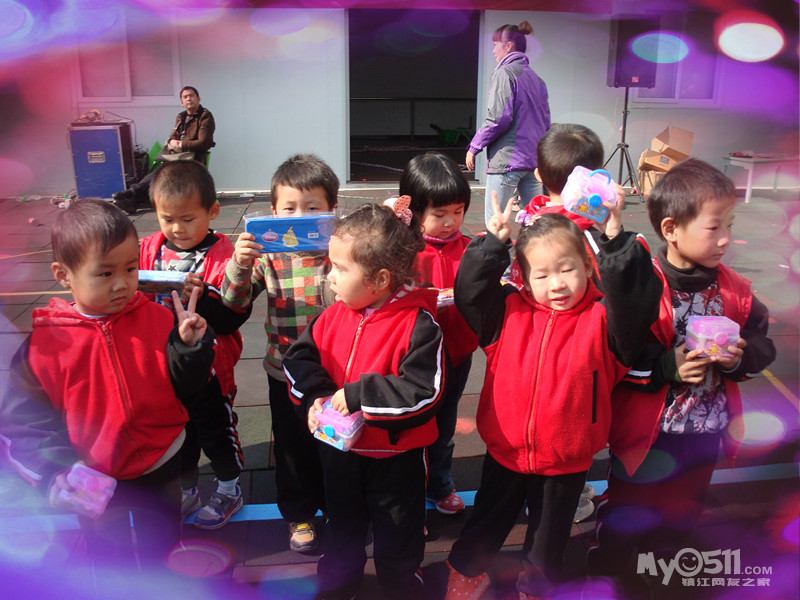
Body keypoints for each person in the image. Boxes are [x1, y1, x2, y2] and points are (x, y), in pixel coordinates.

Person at [443, 193, 660, 600]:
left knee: (547, 543)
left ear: (588, 267)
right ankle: (467, 569)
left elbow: (636, 304)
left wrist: (615, 244)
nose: (557, 283)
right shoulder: (507, 314)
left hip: (566, 460)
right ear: (523, 278)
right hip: (506, 451)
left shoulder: (604, 323)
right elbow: (470, 291)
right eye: (541, 275)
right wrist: (492, 245)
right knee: (486, 522)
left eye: (567, 269)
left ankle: (536, 590)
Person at [587, 159, 776, 587]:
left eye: (730, 224)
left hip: (704, 433)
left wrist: (739, 358)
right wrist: (664, 366)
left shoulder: (736, 290)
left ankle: (661, 568)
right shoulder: (644, 287)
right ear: (671, 229)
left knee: (681, 513)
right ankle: (607, 566)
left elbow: (762, 342)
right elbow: (616, 353)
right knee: (628, 511)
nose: (726, 238)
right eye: (714, 227)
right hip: (646, 435)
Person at [0, 198, 215, 571]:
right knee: (108, 557)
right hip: (92, 473)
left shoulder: (158, 318)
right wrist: (57, 469)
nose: (121, 284)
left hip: (161, 460)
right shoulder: (45, 346)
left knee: (163, 547)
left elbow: (188, 387)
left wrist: (190, 349)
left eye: (130, 269)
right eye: (104, 274)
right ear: (63, 274)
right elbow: (24, 423)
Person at [283, 200, 445, 600]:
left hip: (396, 460)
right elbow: (298, 359)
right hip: (340, 454)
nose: (330, 275)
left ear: (379, 279)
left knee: (398, 534)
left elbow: (424, 392)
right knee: (342, 529)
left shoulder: (419, 325)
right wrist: (315, 398)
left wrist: (358, 395)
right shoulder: (332, 316)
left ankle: (403, 586)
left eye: (340, 268)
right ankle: (338, 585)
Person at [221, 153, 338, 552]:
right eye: (290, 208)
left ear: (332, 209)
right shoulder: (268, 255)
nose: (300, 216)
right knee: (292, 446)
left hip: (336, 370)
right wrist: (239, 264)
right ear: (274, 212)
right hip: (284, 371)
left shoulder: (341, 251)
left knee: (335, 442)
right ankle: (299, 512)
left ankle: (337, 506)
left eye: (313, 208)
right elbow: (233, 301)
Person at [139, 160, 248, 529]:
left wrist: (204, 298)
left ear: (212, 211)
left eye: (188, 219)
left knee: (215, 429)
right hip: (167, 366)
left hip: (211, 367)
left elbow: (233, 316)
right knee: (178, 433)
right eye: (167, 218)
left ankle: (230, 487)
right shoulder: (149, 247)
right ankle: (186, 489)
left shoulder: (223, 255)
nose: (177, 228)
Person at [400, 152, 478, 515]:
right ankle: (407, 491)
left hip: (457, 354)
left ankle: (440, 483)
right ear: (414, 211)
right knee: (411, 426)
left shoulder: (472, 249)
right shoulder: (403, 252)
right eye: (439, 213)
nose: (450, 222)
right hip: (413, 359)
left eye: (458, 211)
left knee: (444, 426)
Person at [511, 123, 627, 289]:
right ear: (599, 175)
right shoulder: (590, 237)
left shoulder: (532, 219)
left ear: (538, 175)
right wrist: (616, 240)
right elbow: (618, 288)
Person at [466, 21, 551, 227]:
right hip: (533, 162)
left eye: (496, 44)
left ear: (509, 45)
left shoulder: (505, 73)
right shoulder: (537, 79)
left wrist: (474, 146)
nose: (493, 50)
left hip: (507, 161)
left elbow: (498, 118)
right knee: (535, 225)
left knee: (494, 224)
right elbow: (546, 122)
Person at [113, 86, 216, 214]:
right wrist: (172, 142)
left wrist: (181, 144)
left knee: (162, 173)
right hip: (176, 157)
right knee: (159, 172)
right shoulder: (181, 117)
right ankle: (133, 201)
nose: (189, 99)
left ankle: (131, 193)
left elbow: (203, 143)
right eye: (185, 97)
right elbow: (172, 137)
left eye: (191, 96)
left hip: (194, 159)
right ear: (182, 102)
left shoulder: (205, 116)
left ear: (198, 99)